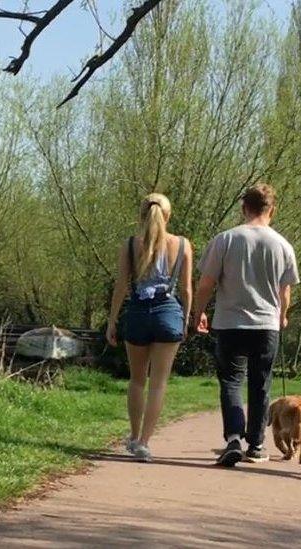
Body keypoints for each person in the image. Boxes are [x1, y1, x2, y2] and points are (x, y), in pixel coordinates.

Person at [191, 183, 299, 467]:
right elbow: (284, 291)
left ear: (244, 208)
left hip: (229, 322)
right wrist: (282, 315)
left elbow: (206, 283)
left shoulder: (225, 240)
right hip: (266, 324)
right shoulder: (282, 245)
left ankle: (233, 439)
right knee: (261, 383)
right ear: (272, 210)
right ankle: (257, 443)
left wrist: (197, 312)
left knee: (231, 381)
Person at [106, 193, 193, 462]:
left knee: (137, 379)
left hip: (138, 313)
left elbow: (122, 286)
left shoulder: (131, 245)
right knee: (159, 383)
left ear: (141, 216)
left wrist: (112, 320)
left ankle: (133, 437)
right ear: (168, 216)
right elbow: (187, 289)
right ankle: (144, 441)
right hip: (168, 313)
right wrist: (186, 318)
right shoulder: (182, 245)